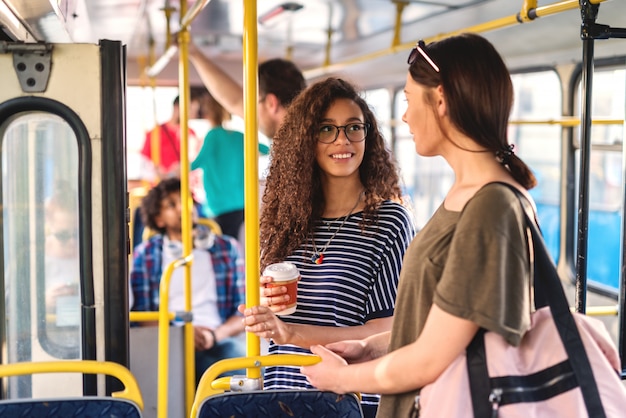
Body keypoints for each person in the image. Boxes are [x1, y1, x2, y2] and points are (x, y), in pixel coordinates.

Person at [300, 34, 539, 418]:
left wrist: (342, 379)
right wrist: (371, 347)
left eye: (409, 100)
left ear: (441, 100)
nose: (406, 115)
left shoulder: (490, 208)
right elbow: (442, 327)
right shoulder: (465, 194)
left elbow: (431, 360)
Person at [239, 77, 416, 418]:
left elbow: (390, 328)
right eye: (326, 129)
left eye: (353, 128)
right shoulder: (285, 220)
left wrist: (292, 333)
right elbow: (280, 314)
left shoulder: (388, 222)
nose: (342, 140)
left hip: (347, 400)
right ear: (306, 140)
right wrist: (265, 310)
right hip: (282, 391)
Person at [130, 178, 245, 383]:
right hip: (166, 339)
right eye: (172, 205)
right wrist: (181, 333)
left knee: (244, 375)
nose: (183, 208)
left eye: (186, 200)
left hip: (217, 338)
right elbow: (143, 314)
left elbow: (243, 311)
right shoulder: (146, 255)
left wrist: (213, 336)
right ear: (159, 220)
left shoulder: (227, 249)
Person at [191, 92, 270, 241]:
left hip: (220, 204)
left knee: (224, 246)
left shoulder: (212, 136)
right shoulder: (240, 136)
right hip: (242, 201)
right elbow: (266, 149)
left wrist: (174, 169)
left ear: (208, 113)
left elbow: (196, 164)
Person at [187, 42, 306, 139]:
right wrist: (194, 53)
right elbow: (235, 101)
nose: (250, 109)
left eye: (256, 101)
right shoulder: (296, 134)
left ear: (271, 103)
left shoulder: (305, 145)